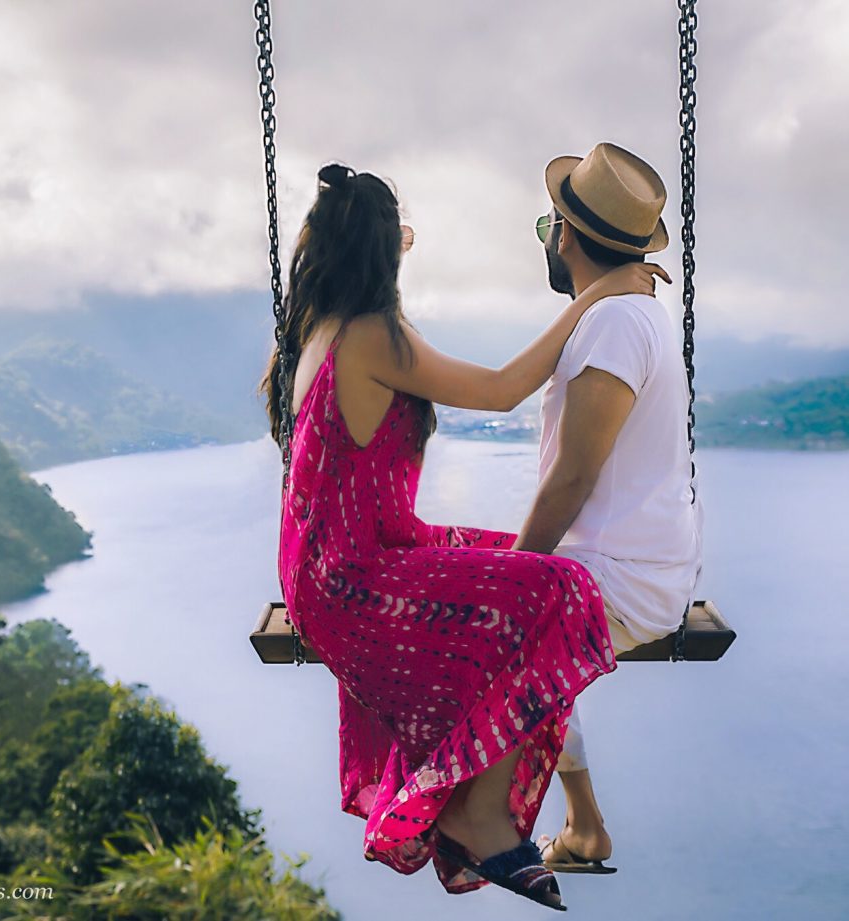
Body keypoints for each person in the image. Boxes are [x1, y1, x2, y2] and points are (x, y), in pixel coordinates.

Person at [265, 161, 669, 910]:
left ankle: (515, 806)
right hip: (353, 572)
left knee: (517, 553)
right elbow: (500, 389)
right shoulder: (365, 335)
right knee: (559, 585)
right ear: (383, 255)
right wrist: (597, 299)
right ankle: (475, 812)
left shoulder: (320, 327)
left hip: (343, 559)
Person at [511, 142, 705, 873]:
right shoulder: (628, 311)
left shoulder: (618, 323)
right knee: (470, 573)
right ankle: (580, 823)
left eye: (547, 227)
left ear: (565, 236)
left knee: (480, 619)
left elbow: (573, 477)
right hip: (633, 561)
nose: (548, 240)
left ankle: (477, 815)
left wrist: (513, 575)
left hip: (623, 578)